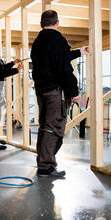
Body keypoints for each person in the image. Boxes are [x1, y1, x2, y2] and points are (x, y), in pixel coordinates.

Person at [30, 10, 90, 178]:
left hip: (41, 90)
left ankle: (42, 162)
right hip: (55, 91)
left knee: (44, 125)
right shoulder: (58, 39)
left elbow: (56, 58)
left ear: (42, 23)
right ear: (57, 23)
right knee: (54, 127)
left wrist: (79, 51)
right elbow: (63, 67)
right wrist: (75, 92)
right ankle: (46, 166)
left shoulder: (38, 41)